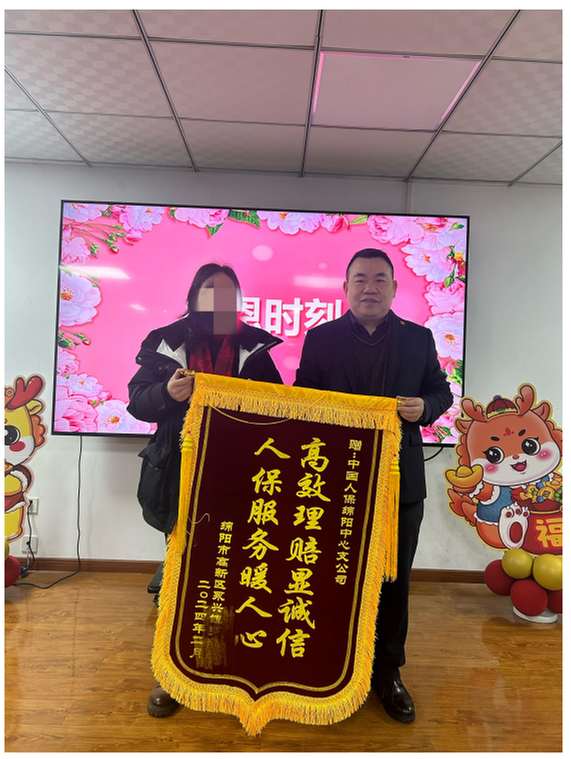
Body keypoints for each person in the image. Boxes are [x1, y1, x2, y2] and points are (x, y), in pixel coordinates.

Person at [294, 248, 453, 724]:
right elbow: (302, 395)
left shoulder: (418, 338)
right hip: (333, 480)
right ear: (345, 288)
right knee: (329, 574)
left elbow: (441, 392)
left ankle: (388, 672)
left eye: (380, 279)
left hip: (399, 481)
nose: (370, 287)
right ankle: (328, 662)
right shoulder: (320, 338)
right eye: (360, 279)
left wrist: (424, 408)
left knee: (394, 579)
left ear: (394, 289)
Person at [127, 262, 283, 718]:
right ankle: (170, 674)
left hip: (239, 476)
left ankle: (219, 664)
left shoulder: (254, 347)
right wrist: (166, 394)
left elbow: (279, 403)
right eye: (210, 291)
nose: (219, 299)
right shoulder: (166, 342)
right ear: (195, 296)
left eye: (228, 292)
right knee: (181, 573)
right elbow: (137, 402)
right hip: (180, 473)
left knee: (231, 574)